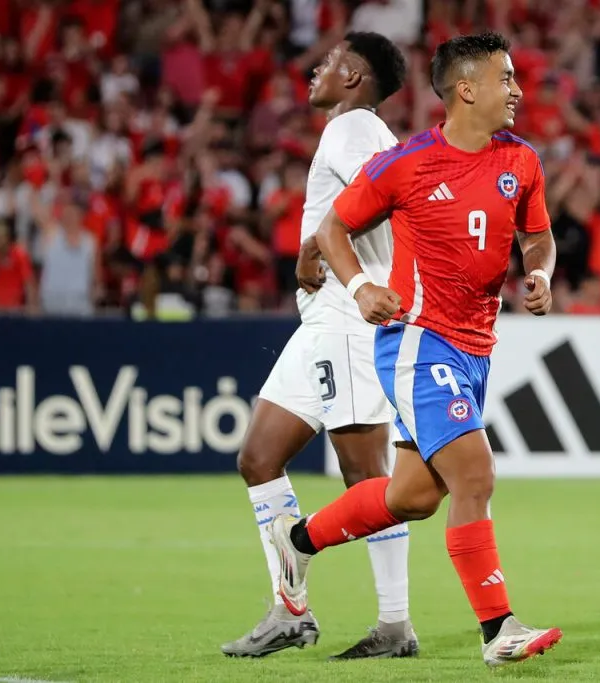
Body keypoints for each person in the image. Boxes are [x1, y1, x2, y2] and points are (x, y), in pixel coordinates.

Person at [266, 31, 563, 668]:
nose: (516, 90)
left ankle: (298, 542)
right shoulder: (409, 161)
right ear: (466, 90)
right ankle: (498, 628)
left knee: (412, 498)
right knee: (475, 475)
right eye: (505, 78)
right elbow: (332, 227)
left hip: (477, 346)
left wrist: (539, 274)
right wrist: (361, 285)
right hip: (418, 341)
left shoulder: (522, 161)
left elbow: (538, 238)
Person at [220, 32, 420, 661]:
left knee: (367, 475)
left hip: (351, 323)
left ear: (356, 77)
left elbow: (383, 197)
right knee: (258, 457)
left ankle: (395, 624)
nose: (317, 67)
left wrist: (313, 247)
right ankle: (290, 610)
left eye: (332, 61)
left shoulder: (354, 126)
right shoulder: (356, 129)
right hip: (322, 322)